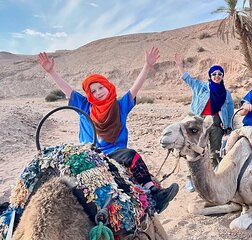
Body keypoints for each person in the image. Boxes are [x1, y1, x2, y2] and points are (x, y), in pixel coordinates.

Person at [37, 48, 179, 214]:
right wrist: (52, 71)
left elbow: (135, 88)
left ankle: (154, 194)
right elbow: (67, 90)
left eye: (100, 88)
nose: (97, 93)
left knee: (131, 155)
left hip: (115, 156)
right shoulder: (84, 106)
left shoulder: (120, 106)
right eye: (93, 91)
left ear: (107, 86)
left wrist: (147, 66)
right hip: (89, 156)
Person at [174, 53, 234, 168]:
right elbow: (188, 79)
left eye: (220, 74)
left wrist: (228, 128)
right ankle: (193, 177)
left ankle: (215, 174)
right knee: (195, 150)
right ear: (210, 76)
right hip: (199, 122)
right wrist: (180, 66)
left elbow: (230, 111)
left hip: (217, 123)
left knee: (215, 152)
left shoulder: (226, 93)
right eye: (214, 74)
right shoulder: (201, 87)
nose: (217, 76)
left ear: (222, 76)